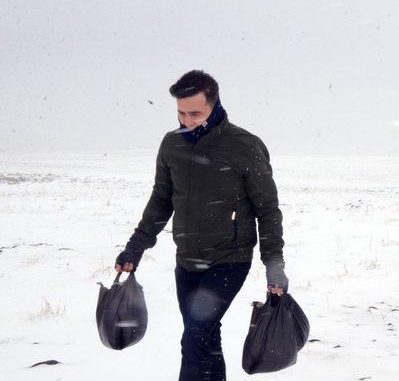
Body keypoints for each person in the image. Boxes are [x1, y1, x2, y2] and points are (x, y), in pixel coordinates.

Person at [114, 70, 289, 381]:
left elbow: (268, 210)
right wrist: (135, 246)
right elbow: (161, 201)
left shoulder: (244, 146)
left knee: (195, 336)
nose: (187, 120)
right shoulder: (172, 145)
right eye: (181, 112)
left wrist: (274, 262)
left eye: (195, 112)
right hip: (187, 260)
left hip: (229, 260)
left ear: (214, 104)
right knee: (204, 337)